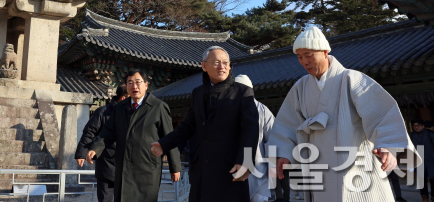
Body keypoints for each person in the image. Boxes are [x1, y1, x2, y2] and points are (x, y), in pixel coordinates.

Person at [268, 26, 420, 202]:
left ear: (325, 52)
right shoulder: (300, 88)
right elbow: (287, 124)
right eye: (300, 57)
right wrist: (284, 153)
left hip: (355, 166)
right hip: (319, 167)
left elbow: (382, 115)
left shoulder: (351, 79)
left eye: (309, 55)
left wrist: (388, 145)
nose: (304, 62)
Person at [149, 46, 259, 202]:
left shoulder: (242, 93)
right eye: (216, 62)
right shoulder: (198, 93)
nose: (222, 66)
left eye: (225, 63)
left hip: (230, 169)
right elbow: (188, 126)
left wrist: (246, 162)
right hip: (202, 169)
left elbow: (251, 130)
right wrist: (164, 144)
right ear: (204, 66)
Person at [87, 68, 181, 202]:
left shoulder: (158, 107)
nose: (134, 86)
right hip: (123, 167)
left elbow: (170, 137)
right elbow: (108, 132)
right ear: (126, 86)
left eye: (138, 82)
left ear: (146, 84)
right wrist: (95, 148)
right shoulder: (120, 108)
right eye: (130, 83)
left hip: (147, 168)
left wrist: (175, 166)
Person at [75, 84, 128, 202]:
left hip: (126, 167)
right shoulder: (102, 112)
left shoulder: (132, 114)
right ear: (124, 98)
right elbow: (89, 132)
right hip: (106, 166)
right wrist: (81, 153)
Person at [234, 74, 274, 202]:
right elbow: (273, 140)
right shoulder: (263, 110)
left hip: (247, 168)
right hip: (257, 170)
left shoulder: (262, 110)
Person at [410, 118, 434, 202]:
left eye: (418, 125)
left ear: (423, 126)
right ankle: (425, 198)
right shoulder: (411, 136)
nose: (416, 127)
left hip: (431, 161)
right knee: (422, 182)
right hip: (419, 162)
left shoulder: (430, 135)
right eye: (414, 126)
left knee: (433, 180)